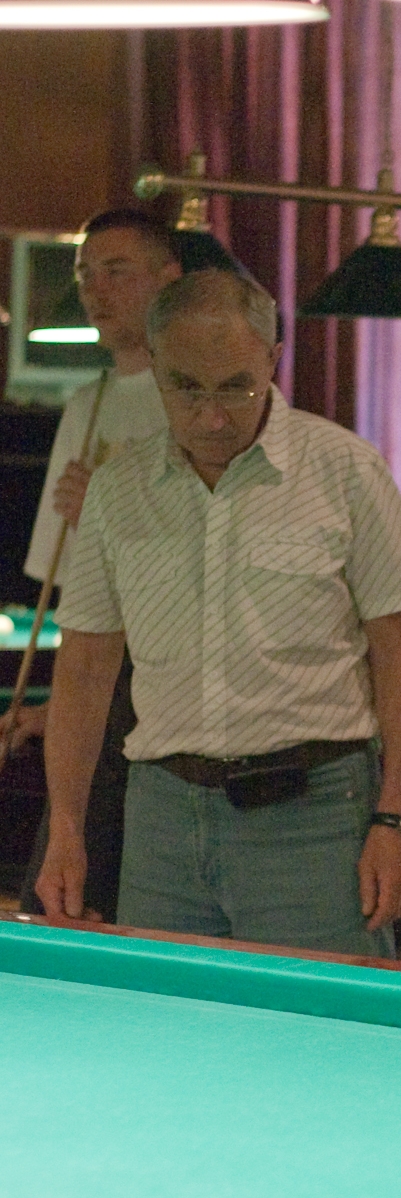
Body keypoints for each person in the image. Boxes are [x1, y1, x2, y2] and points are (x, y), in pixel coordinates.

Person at [35, 267, 401, 957]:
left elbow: (398, 651)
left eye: (235, 387)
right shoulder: (116, 491)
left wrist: (397, 818)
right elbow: (85, 669)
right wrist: (66, 827)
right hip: (160, 820)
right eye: (186, 388)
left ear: (273, 360)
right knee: (167, 1020)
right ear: (154, 367)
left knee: (317, 1021)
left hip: (313, 816)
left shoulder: (346, 471)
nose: (212, 416)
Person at [13, 208, 183, 919]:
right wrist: (57, 704)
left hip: (168, 688)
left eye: (116, 271)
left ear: (168, 279)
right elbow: (73, 591)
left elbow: (219, 564)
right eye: (86, 274)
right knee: (60, 899)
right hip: (102, 686)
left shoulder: (200, 404)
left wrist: (116, 513)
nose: (95, 290)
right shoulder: (90, 404)